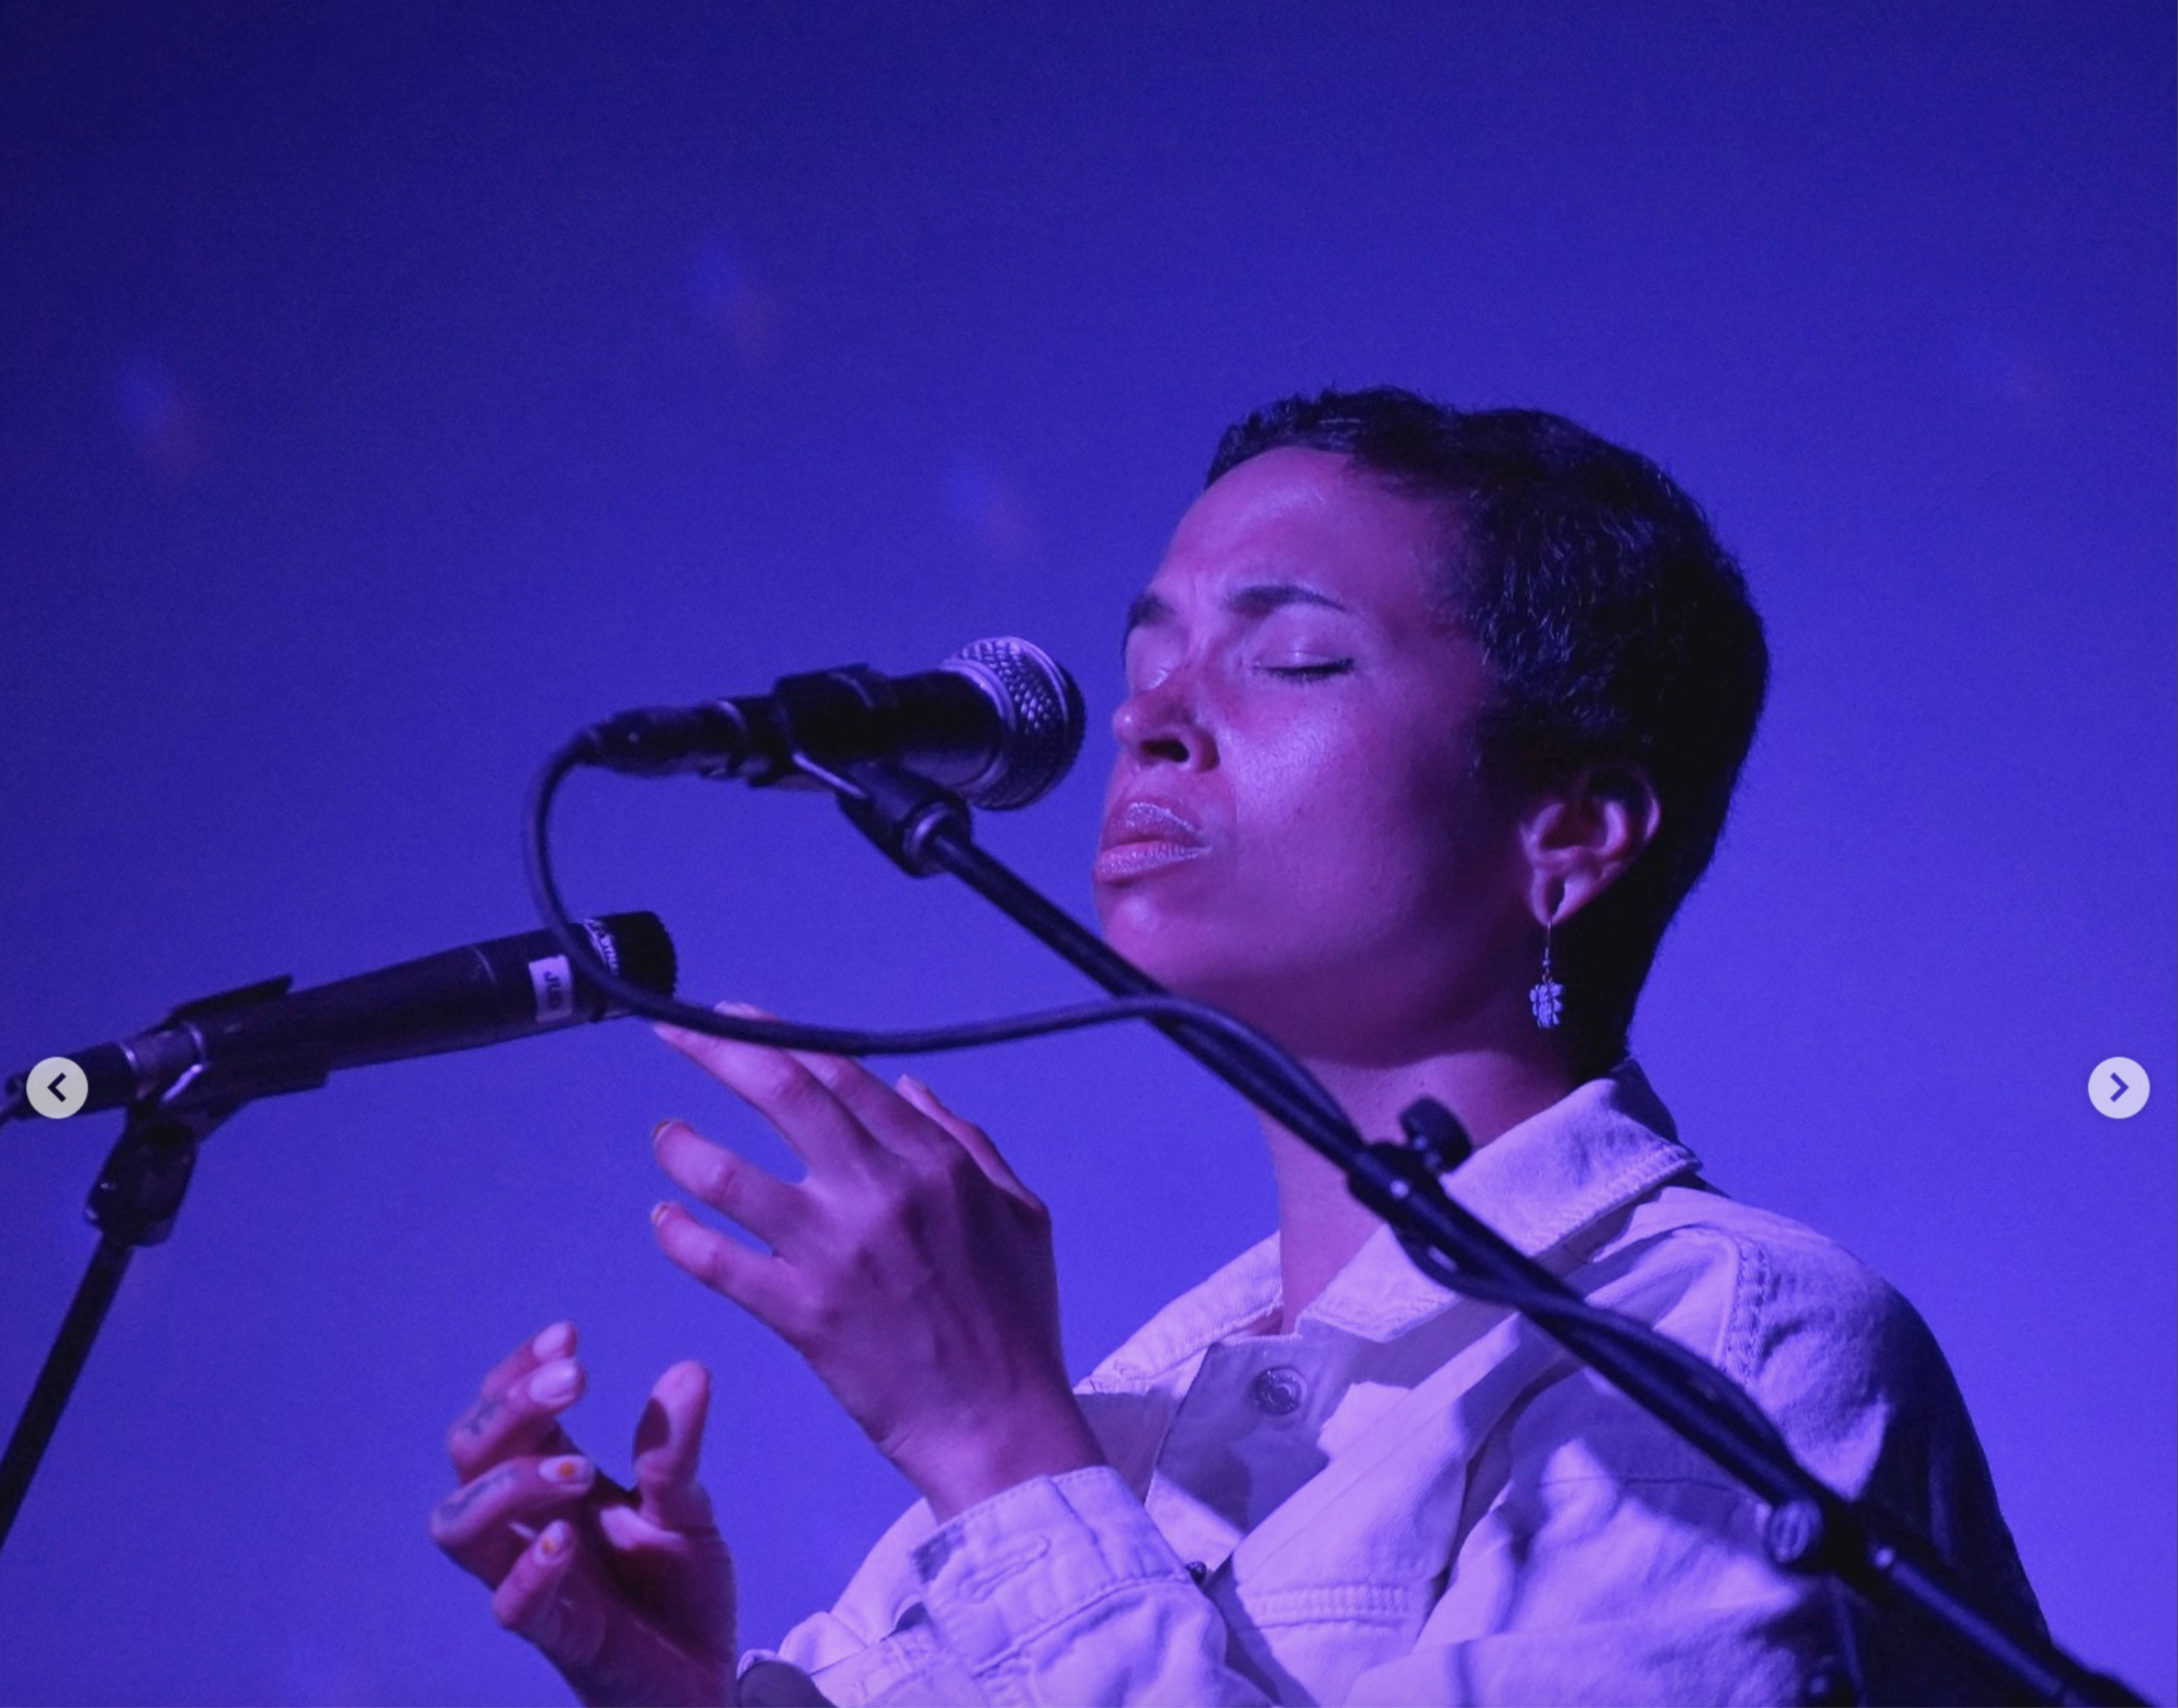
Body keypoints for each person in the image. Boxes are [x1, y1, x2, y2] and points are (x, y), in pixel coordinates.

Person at [431, 389, 2043, 1704]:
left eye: (1292, 658)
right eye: (1146, 665)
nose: (1148, 720)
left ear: (1573, 831)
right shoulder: (1140, 1409)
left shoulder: (1728, 1345)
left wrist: (995, 1447)